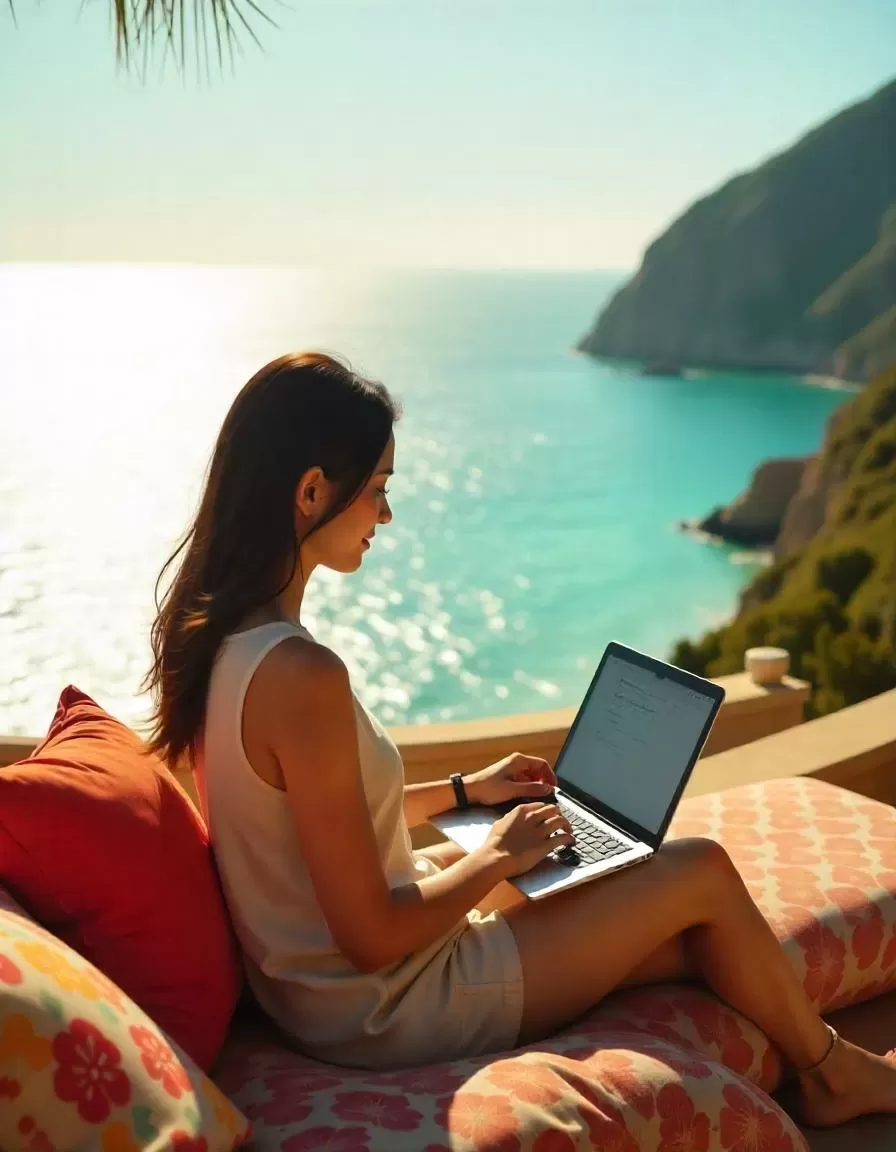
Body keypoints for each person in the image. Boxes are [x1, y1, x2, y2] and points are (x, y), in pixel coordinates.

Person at [147, 351, 896, 1126]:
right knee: (698, 870)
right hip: (382, 1006)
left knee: (670, 929)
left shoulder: (224, 640)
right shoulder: (301, 676)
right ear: (311, 492)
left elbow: (319, 815)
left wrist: (472, 794)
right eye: (377, 492)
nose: (386, 516)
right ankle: (836, 1074)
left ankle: (816, 1055)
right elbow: (372, 937)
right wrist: (500, 855)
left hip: (318, 989)